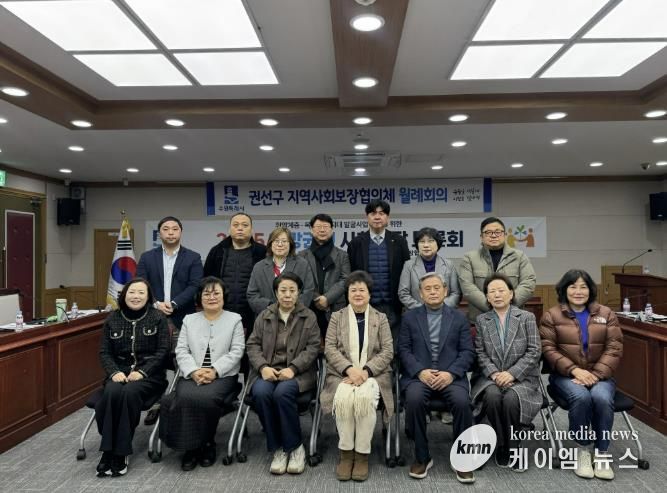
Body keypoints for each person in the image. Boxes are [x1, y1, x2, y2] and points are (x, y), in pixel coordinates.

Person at [540, 269, 623, 481]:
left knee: (601, 397)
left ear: (591, 290)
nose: (578, 291)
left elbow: (614, 347)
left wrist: (595, 375)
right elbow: (548, 349)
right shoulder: (551, 315)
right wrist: (575, 370)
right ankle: (583, 450)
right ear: (564, 289)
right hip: (565, 376)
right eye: (573, 286)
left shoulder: (606, 314)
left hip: (600, 376)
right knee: (581, 397)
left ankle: (602, 453)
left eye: (583, 287)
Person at [160, 277, 245, 471]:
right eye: (207, 293)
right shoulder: (189, 320)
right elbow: (181, 350)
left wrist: (215, 371)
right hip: (192, 374)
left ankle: (207, 443)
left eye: (216, 293)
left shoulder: (235, 319)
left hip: (223, 376)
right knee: (184, 396)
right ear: (199, 297)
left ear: (224, 296)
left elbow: (237, 351)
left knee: (205, 398)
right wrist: (193, 370)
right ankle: (191, 448)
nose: (211, 297)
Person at [399, 272, 475, 483]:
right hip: (419, 376)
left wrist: (451, 373)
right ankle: (422, 457)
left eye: (436, 288)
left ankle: (461, 457)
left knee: (462, 402)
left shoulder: (459, 317)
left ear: (445, 291)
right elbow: (403, 350)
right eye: (427, 289)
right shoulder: (409, 318)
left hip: (451, 376)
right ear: (420, 294)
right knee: (413, 400)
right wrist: (419, 371)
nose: (432, 292)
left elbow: (467, 352)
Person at [320, 270, 394, 482]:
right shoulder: (337, 317)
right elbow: (330, 348)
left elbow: (387, 351)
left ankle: (361, 454)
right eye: (353, 290)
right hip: (342, 374)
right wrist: (349, 370)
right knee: (345, 399)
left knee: (363, 398)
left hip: (374, 375)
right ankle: (346, 453)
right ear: (347, 294)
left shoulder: (380, 318)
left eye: (362, 290)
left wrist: (365, 372)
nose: (358, 294)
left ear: (369, 294)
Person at [246, 272, 321, 475]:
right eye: (283, 290)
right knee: (260, 393)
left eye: (292, 290)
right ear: (276, 293)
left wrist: (293, 368)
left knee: (282, 393)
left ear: (299, 293)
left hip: (298, 373)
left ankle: (295, 447)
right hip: (268, 371)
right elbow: (252, 344)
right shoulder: (264, 315)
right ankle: (278, 447)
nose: (287, 295)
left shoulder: (308, 316)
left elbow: (313, 348)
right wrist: (263, 367)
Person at [96, 278, 170, 477]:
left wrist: (143, 372)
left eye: (141, 293)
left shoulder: (158, 317)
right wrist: (114, 372)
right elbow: (105, 352)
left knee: (129, 393)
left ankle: (121, 452)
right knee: (111, 392)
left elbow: (163, 351)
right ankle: (107, 451)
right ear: (124, 295)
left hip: (150, 377)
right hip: (118, 373)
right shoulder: (112, 319)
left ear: (148, 297)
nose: (136, 296)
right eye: (132, 292)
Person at [470, 273, 541, 471]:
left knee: (511, 399)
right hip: (490, 378)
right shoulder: (482, 320)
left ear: (511, 294)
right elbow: (480, 352)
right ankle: (501, 445)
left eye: (501, 290)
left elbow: (535, 350)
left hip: (522, 378)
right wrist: (495, 374)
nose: (497, 294)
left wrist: (512, 374)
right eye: (492, 291)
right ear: (487, 297)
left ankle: (514, 446)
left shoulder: (526, 317)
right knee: (492, 396)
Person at [137, 216, 204, 425]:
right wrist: (156, 304)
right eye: (166, 229)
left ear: (181, 232)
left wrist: (174, 303)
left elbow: (195, 286)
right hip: (153, 318)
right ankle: (156, 403)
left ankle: (178, 402)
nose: (171, 232)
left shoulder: (193, 257)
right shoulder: (147, 257)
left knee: (182, 362)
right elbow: (140, 284)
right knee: (154, 362)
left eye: (175, 229)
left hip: (182, 318)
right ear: (160, 233)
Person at [347, 199, 410, 337]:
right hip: (366, 305)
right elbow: (351, 275)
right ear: (367, 217)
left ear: (387, 217)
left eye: (381, 213)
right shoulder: (356, 243)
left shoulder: (399, 241)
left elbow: (407, 271)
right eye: (373, 213)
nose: (377, 217)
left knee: (393, 344)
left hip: (393, 306)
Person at [457, 217, 536, 324]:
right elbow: (467, 288)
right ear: (481, 237)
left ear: (505, 235)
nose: (493, 235)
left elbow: (529, 283)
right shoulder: (469, 258)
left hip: (513, 320)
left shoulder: (519, 256)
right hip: (480, 321)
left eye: (498, 232)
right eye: (488, 232)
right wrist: (492, 306)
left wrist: (507, 306)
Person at [203, 212, 267, 334]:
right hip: (221, 314)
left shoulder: (262, 252)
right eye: (236, 225)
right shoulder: (217, 251)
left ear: (251, 229)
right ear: (229, 229)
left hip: (254, 315)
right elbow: (206, 282)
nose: (240, 228)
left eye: (245, 225)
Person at [299, 213, 351, 339]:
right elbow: (301, 280)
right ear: (311, 230)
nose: (322, 230)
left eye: (326, 227)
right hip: (309, 307)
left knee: (336, 344)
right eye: (318, 227)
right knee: (309, 345)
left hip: (335, 307)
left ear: (332, 230)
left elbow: (345, 279)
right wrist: (317, 299)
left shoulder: (342, 255)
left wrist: (327, 298)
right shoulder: (302, 256)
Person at [247, 227, 315, 315]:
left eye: (284, 241)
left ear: (290, 244)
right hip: (267, 317)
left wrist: (290, 308)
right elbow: (252, 294)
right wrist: (272, 308)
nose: (280, 244)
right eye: (276, 241)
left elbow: (308, 291)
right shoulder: (259, 267)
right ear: (270, 244)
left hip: (296, 317)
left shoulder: (302, 264)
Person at [398, 227, 461, 310]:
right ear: (417, 245)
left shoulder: (449, 265)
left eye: (431, 241)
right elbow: (403, 293)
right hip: (417, 313)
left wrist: (441, 308)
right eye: (422, 242)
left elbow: (456, 293)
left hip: (445, 312)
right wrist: (422, 310)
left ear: (438, 244)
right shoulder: (409, 265)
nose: (426, 245)